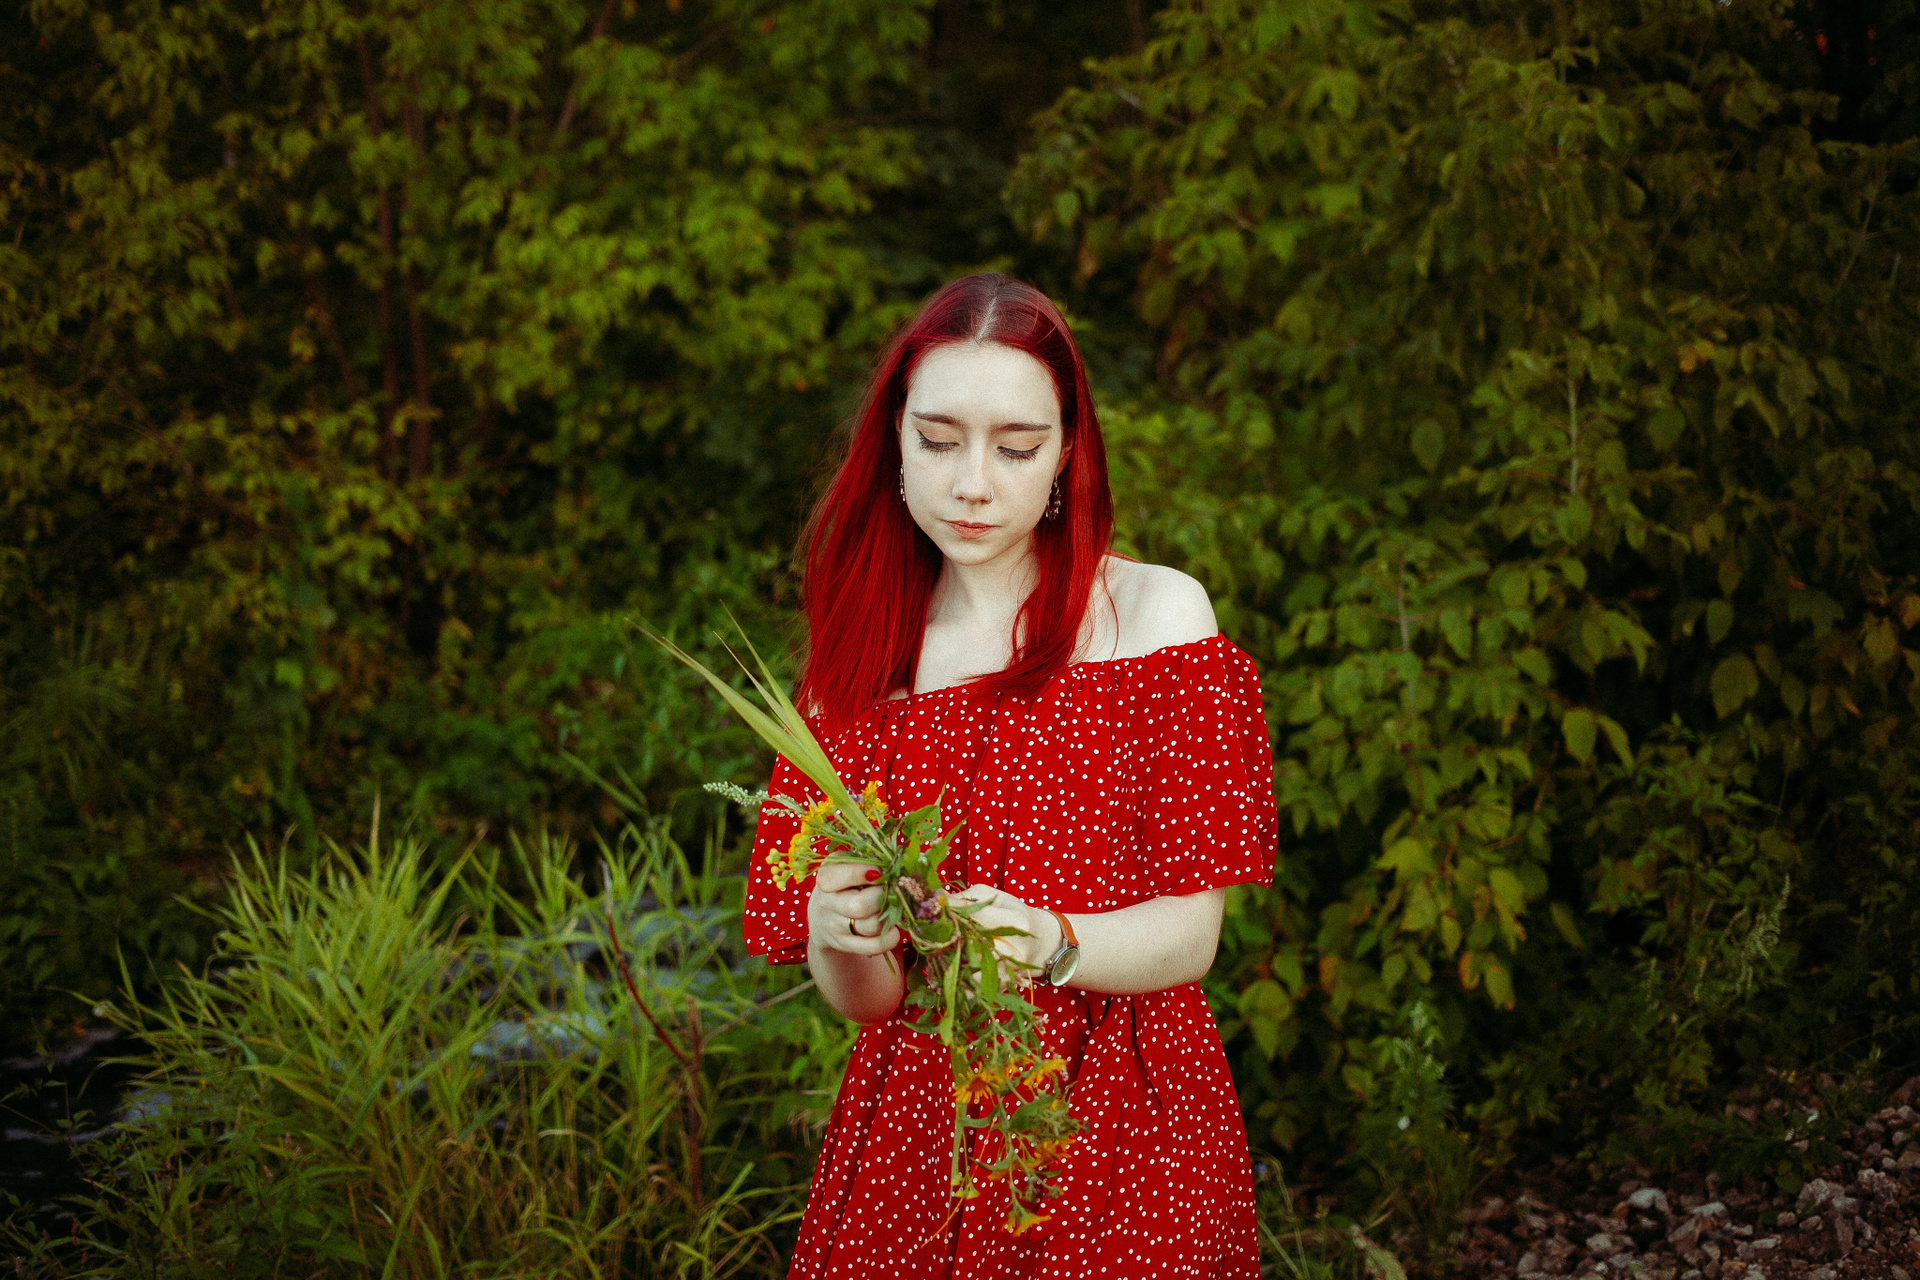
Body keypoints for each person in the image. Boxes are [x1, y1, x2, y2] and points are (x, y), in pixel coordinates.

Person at [744, 273, 1278, 1279]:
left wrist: (1048, 938)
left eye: (1017, 446)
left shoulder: (1156, 620)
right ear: (894, 443)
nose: (973, 484)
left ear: (1068, 452)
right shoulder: (857, 665)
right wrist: (837, 935)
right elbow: (871, 1001)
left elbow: (1191, 937)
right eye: (939, 440)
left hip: (1122, 1112)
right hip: (921, 1131)